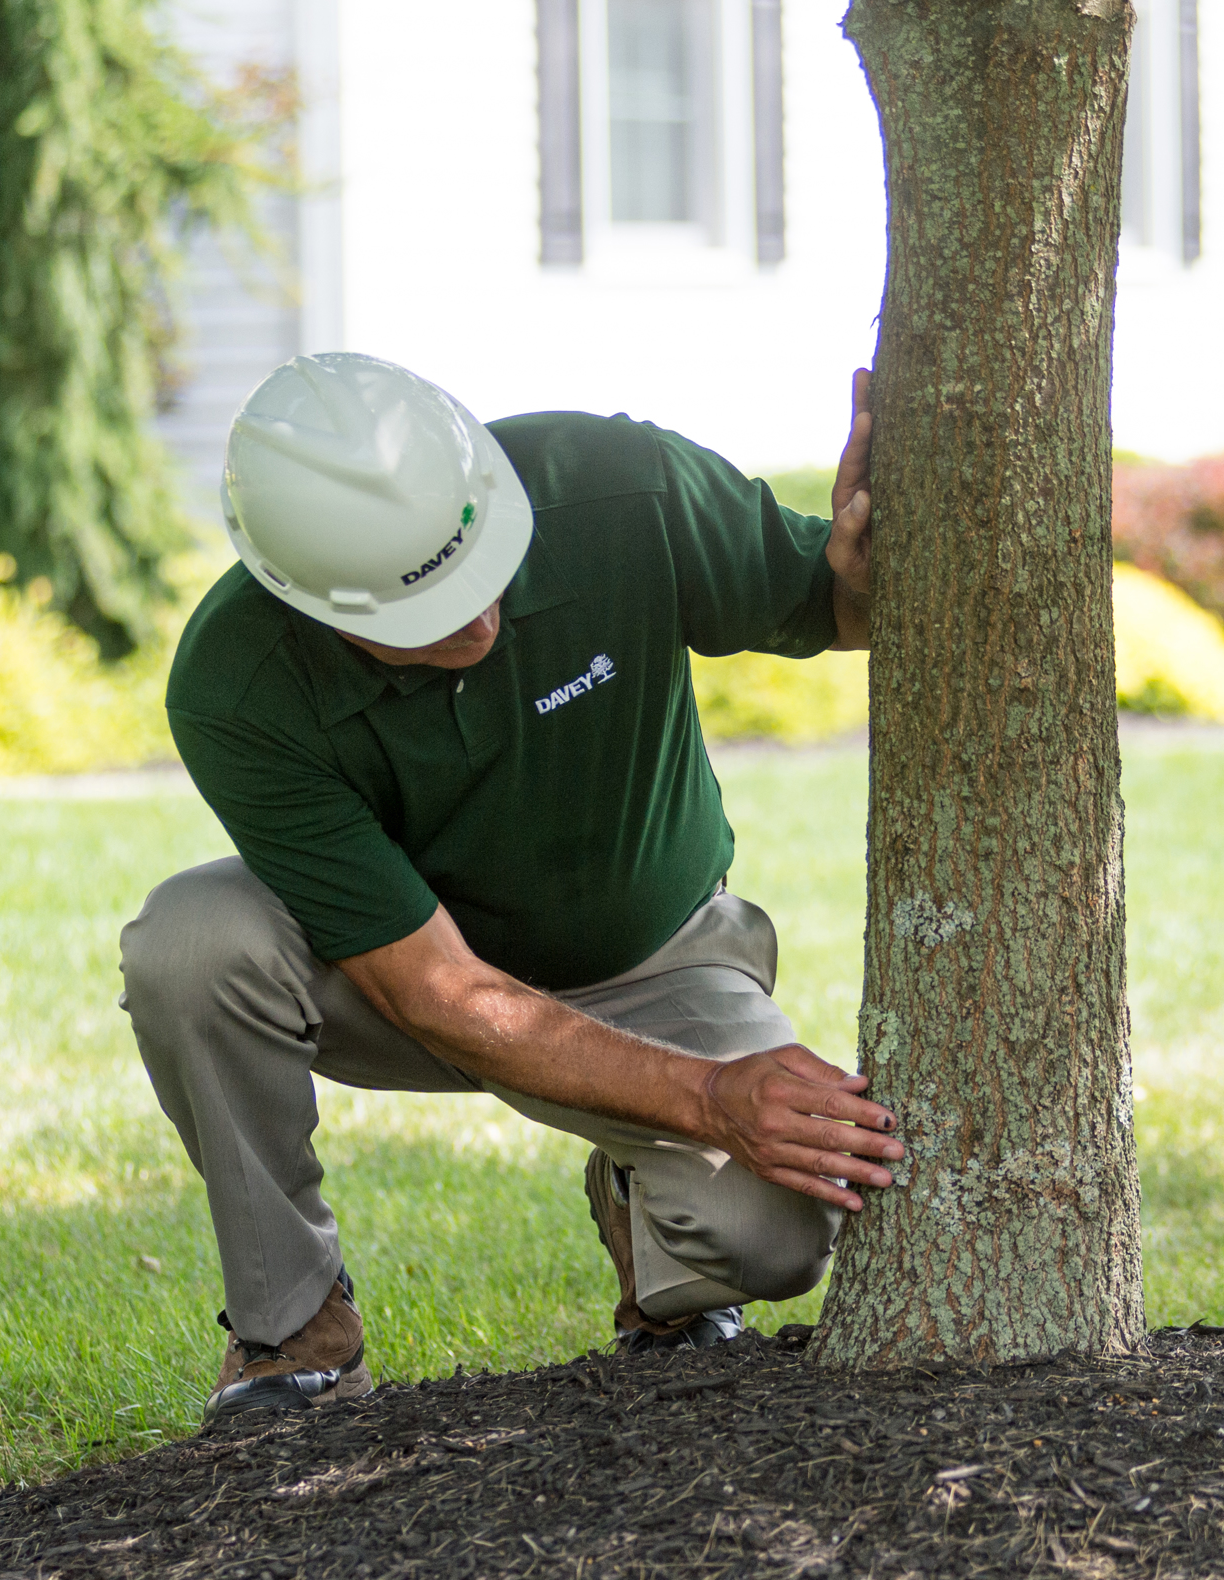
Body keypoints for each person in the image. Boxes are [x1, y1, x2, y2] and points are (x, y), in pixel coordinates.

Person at [118, 353, 906, 1420]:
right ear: (306, 604)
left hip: (655, 958)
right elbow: (440, 991)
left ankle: (650, 1226)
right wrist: (716, 1097)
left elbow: (830, 605)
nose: (478, 620)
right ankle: (293, 1325)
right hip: (414, 983)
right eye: (420, 611)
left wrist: (862, 573)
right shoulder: (238, 682)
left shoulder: (618, 483)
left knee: (773, 1232)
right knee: (188, 943)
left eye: (480, 568)